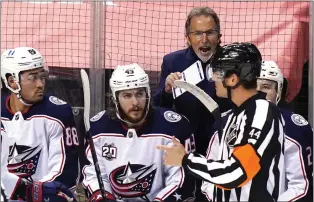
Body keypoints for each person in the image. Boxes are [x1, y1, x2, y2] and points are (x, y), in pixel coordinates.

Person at [157, 42, 286, 202]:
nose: (212, 78)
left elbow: (238, 171)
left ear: (232, 79)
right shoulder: (233, 116)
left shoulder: (262, 112)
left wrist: (186, 159)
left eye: (217, 73)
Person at [82, 63, 196, 202]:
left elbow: (180, 180)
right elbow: (94, 174)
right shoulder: (99, 128)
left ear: (148, 94)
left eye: (140, 94)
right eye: (127, 95)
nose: (135, 102)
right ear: (115, 99)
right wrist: (101, 196)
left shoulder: (173, 127)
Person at [1, 47, 79, 201]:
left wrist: (34, 192)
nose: (40, 84)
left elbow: (65, 172)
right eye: (33, 77)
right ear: (12, 81)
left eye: (42, 77)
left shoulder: (58, 112)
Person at [257, 60, 313, 201]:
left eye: (266, 87)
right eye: (253, 86)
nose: (259, 93)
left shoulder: (294, 128)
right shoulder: (228, 123)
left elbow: (301, 185)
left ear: (279, 91)